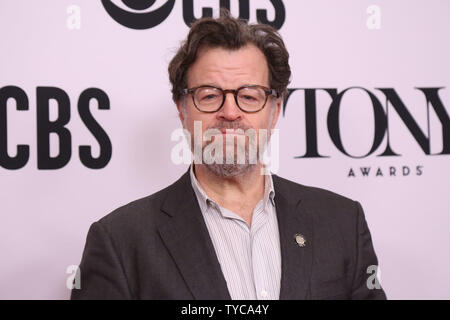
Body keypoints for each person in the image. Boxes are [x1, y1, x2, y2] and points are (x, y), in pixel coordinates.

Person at [71, 10, 386, 300]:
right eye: (209, 96)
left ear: (275, 111)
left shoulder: (342, 222)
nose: (230, 112)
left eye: (249, 96)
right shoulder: (120, 241)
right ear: (182, 110)